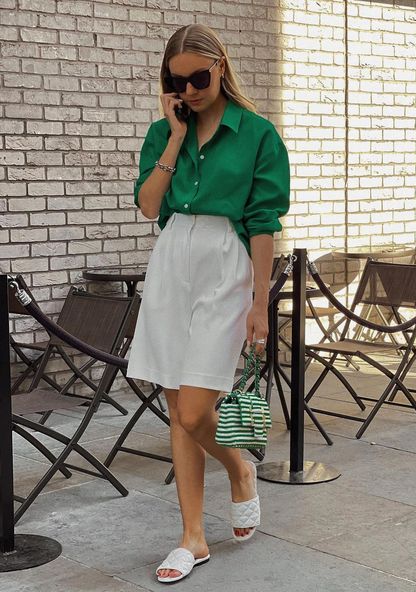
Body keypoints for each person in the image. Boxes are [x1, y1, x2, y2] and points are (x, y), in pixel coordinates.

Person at [126, 23, 290, 584]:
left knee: (197, 410)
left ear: (221, 65)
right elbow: (149, 207)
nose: (191, 89)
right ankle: (192, 537)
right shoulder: (162, 132)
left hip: (228, 264)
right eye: (178, 81)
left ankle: (239, 468)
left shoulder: (257, 134)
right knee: (176, 407)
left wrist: (259, 302)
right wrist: (173, 137)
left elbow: (264, 222)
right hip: (173, 260)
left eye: (200, 76)